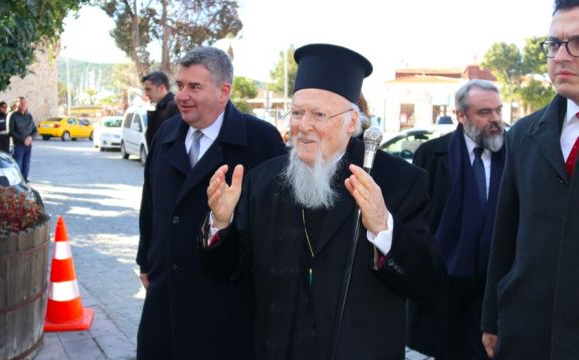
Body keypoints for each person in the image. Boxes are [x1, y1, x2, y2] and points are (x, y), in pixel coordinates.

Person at [201, 43, 447, 360]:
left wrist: (385, 229)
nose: (304, 126)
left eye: (319, 114)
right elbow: (226, 275)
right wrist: (221, 224)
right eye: (298, 112)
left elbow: (429, 282)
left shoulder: (398, 181)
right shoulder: (260, 182)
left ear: (352, 123)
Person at [136, 46, 286, 359]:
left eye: (194, 87)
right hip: (165, 296)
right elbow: (150, 203)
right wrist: (146, 260)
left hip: (225, 301)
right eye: (180, 86)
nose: (182, 96)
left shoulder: (260, 141)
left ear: (224, 91)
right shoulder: (166, 134)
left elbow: (277, 222)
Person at [481, 1, 579, 358]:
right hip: (528, 333)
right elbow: (505, 232)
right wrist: (491, 317)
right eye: (554, 44)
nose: (561, 56)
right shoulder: (523, 134)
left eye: (577, 43)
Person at [407, 80, 506, 359]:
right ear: (461, 116)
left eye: (498, 111)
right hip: (444, 279)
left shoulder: (514, 153)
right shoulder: (432, 155)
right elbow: (417, 217)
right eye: (484, 112)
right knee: (445, 350)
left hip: (491, 281)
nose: (495, 119)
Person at [142, 71, 180, 149]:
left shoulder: (174, 106)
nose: (146, 93)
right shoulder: (161, 107)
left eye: (149, 89)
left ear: (162, 88)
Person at [8, 96, 37, 181]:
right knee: (17, 168)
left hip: (28, 146)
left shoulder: (29, 116)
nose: (23, 104)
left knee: (26, 168)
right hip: (17, 146)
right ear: (17, 104)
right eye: (21, 103)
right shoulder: (12, 116)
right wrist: (23, 140)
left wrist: (31, 138)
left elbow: (35, 130)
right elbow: (10, 132)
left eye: (25, 103)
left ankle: (24, 186)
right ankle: (17, 188)